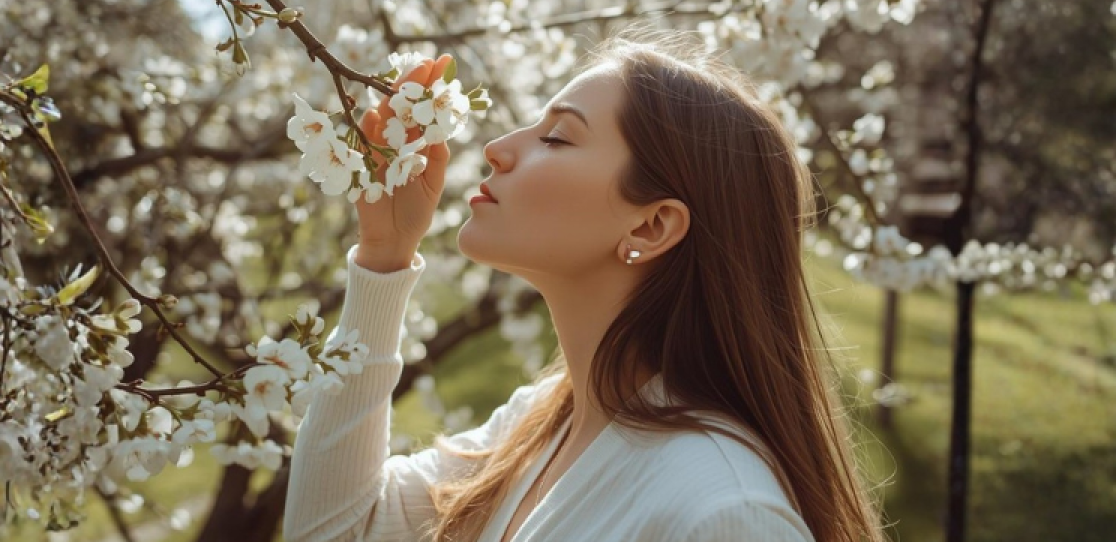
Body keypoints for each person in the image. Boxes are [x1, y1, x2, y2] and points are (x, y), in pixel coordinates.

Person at [283, 31, 886, 542]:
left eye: (557, 138)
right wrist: (385, 256)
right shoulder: (543, 423)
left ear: (650, 225)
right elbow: (336, 530)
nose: (496, 149)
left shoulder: (724, 512)